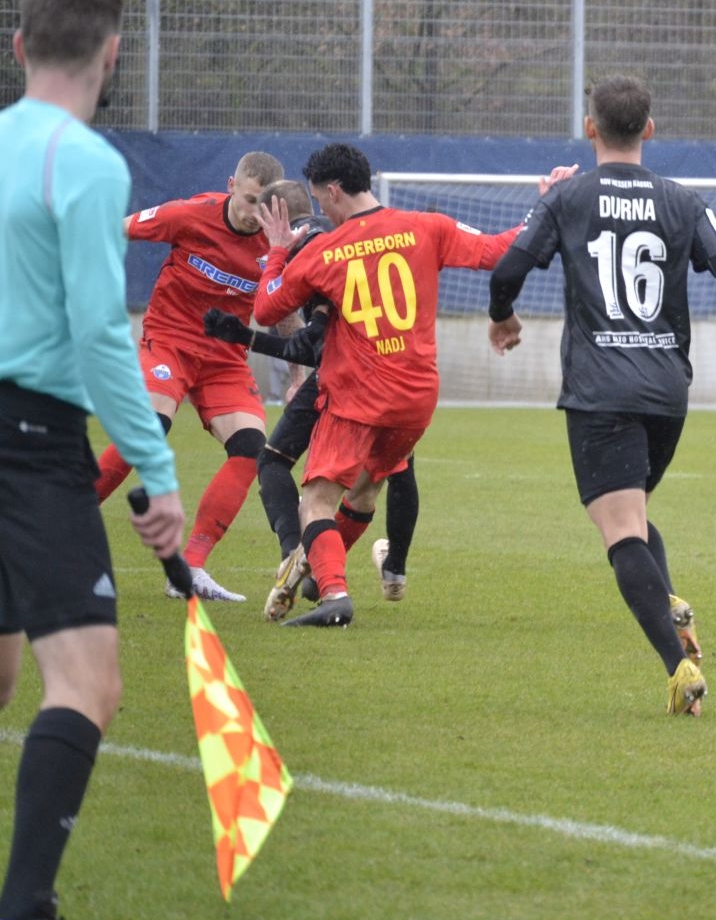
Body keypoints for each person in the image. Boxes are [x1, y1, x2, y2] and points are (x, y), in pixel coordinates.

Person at [0, 0, 186, 920]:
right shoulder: (86, 162)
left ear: (19, 47)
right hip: (30, 441)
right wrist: (155, 468)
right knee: (86, 684)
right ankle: (24, 917)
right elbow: (100, 333)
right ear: (112, 55)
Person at [488, 77, 716, 717]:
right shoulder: (683, 199)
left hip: (601, 389)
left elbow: (508, 270)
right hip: (667, 389)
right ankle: (667, 601)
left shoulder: (567, 197)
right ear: (649, 128)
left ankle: (678, 669)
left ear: (590, 128)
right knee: (632, 517)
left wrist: (503, 317)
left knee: (619, 531)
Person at [250, 143, 546, 627]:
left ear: (333, 191)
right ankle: (318, 572)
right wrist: (545, 203)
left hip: (357, 395)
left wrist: (278, 251)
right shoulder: (427, 227)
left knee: (316, 500)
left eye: (320, 199)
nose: (321, 210)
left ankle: (334, 594)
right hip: (416, 399)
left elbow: (266, 308)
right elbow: (500, 249)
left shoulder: (324, 250)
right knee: (364, 494)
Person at [201, 181, 425, 615]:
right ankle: (384, 570)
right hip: (398, 373)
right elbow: (315, 337)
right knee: (382, 478)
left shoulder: (304, 249)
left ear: (275, 217)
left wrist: (243, 335)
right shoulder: (343, 238)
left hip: (349, 378)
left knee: (281, 467)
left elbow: (305, 339)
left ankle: (297, 556)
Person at [90, 150, 285, 601]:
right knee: (148, 429)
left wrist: (296, 374)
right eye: (249, 200)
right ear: (231, 185)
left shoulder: (275, 243)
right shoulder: (189, 215)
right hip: (170, 340)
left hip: (224, 359)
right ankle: (58, 525)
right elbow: (117, 229)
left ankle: (192, 567)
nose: (254, 213)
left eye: (264, 204)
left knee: (251, 449)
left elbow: (286, 308)